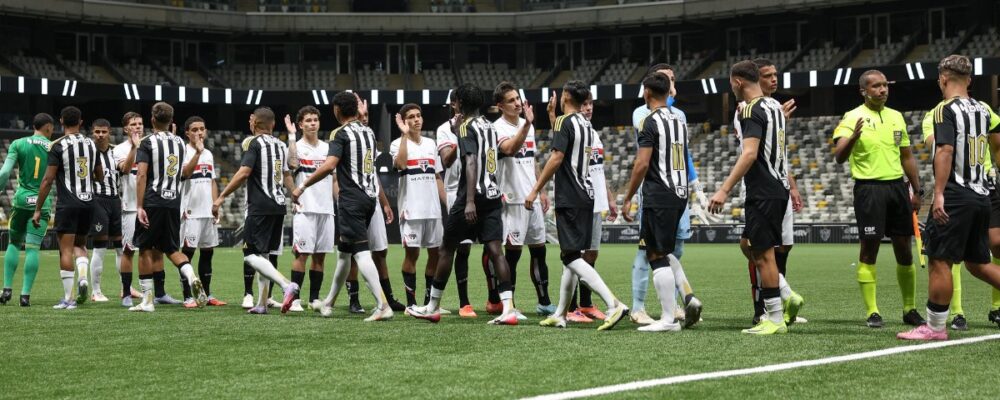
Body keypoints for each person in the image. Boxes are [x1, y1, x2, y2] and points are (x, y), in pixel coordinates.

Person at [899, 54, 1000, 340]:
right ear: (969, 79)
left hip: (956, 194)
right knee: (978, 264)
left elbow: (944, 150)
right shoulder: (983, 110)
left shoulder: (944, 111)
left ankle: (934, 327)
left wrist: (939, 194)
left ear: (943, 79)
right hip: (982, 194)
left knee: (940, 260)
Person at [406, 83, 519, 325]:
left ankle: (432, 306)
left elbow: (470, 161)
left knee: (447, 249)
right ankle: (508, 308)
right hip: (492, 194)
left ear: (459, 103)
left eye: (454, 102)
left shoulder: (466, 126)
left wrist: (468, 201)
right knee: (496, 251)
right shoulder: (490, 126)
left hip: (471, 196)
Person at [530, 81, 629, 330]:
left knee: (572, 256)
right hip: (588, 196)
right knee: (570, 256)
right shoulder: (586, 125)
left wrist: (535, 189)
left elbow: (556, 157)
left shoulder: (566, 122)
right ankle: (561, 313)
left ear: (565, 96)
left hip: (571, 197)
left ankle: (612, 303)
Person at [833, 69, 923, 328]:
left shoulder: (896, 117)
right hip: (869, 190)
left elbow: (906, 156)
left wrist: (917, 190)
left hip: (897, 188)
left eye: (885, 85)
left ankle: (909, 309)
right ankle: (873, 311)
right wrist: (853, 137)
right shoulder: (852, 117)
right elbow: (839, 156)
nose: (882, 90)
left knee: (905, 251)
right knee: (869, 249)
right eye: (876, 86)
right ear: (864, 91)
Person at [291, 92, 392, 322]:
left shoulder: (341, 134)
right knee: (344, 255)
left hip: (352, 201)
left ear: (337, 110)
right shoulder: (368, 131)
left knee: (361, 254)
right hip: (369, 197)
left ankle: (382, 304)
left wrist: (303, 185)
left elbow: (329, 166)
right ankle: (328, 302)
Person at [708, 61, 791, 335]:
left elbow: (749, 153)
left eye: (731, 83)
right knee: (760, 251)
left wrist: (724, 189)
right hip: (779, 188)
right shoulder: (773, 107)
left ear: (738, 82)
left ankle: (775, 319)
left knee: (764, 255)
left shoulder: (752, 110)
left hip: (763, 190)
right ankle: (780, 304)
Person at [628, 63, 701, 325]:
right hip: (675, 191)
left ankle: (669, 314)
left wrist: (627, 197)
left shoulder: (659, 118)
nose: (672, 84)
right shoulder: (665, 118)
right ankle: (671, 301)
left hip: (660, 192)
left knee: (659, 251)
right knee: (657, 250)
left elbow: (643, 162)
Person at [736, 58, 805, 326]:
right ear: (756, 79)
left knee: (778, 247)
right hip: (763, 184)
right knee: (754, 246)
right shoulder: (748, 109)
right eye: (768, 76)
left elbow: (776, 153)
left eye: (776, 75)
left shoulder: (772, 109)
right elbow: (751, 150)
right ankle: (771, 304)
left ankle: (777, 308)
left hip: (773, 186)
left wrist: (794, 185)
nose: (774, 80)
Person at [214, 107, 299, 314]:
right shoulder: (280, 145)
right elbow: (287, 174)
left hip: (260, 206)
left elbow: (244, 173)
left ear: (255, 124)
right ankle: (261, 303)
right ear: (272, 125)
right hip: (279, 205)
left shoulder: (254, 143)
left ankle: (286, 284)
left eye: (251, 120)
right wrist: (295, 192)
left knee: (250, 256)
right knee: (265, 256)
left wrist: (222, 196)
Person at [128, 102, 207, 312]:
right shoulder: (180, 143)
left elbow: (142, 174)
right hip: (173, 203)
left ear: (152, 120)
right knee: (171, 248)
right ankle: (191, 275)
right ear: (171, 121)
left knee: (144, 248)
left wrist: (139, 206)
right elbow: (184, 174)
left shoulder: (147, 142)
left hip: (153, 201)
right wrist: (198, 154)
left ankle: (147, 301)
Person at [33, 106, 101, 310]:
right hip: (89, 203)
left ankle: (69, 298)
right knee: (80, 245)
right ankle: (82, 278)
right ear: (81, 122)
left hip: (68, 203)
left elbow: (47, 180)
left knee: (65, 249)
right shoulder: (91, 144)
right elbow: (100, 176)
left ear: (61, 121)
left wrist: (38, 209)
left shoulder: (57, 146)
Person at [493, 82, 551, 317]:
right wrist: (527, 124)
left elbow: (532, 160)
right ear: (500, 106)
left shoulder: (527, 125)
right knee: (513, 254)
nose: (517, 103)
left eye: (518, 98)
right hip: (513, 198)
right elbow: (510, 149)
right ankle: (510, 305)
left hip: (532, 197)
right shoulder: (497, 128)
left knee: (539, 251)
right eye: (511, 100)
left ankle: (544, 302)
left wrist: (541, 189)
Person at [390, 103, 450, 316]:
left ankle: (429, 303)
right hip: (411, 210)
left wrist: (448, 205)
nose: (416, 120)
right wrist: (405, 136)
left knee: (435, 255)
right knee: (412, 255)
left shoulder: (431, 144)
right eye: (411, 117)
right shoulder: (397, 143)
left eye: (418, 116)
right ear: (404, 122)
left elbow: (437, 177)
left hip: (432, 210)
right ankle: (410, 304)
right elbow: (401, 164)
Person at [282, 106, 335, 312]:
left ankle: (314, 298)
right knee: (301, 254)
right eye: (308, 120)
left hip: (326, 208)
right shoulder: (295, 146)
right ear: (301, 124)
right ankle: (295, 299)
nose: (313, 123)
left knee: (320, 256)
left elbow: (335, 178)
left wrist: (339, 201)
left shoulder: (328, 148)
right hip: (305, 207)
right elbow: (291, 167)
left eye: (315, 120)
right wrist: (292, 136)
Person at [0, 113, 54, 307]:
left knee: (14, 243)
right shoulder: (51, 146)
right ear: (48, 127)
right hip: (42, 201)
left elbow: (5, 172)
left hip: (22, 200)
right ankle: (25, 296)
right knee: (32, 248)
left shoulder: (18, 143)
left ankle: (6, 290)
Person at [435, 90, 478, 317]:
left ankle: (479, 302)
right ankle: (458, 302)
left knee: (478, 246)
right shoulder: (444, 129)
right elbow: (446, 161)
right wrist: (459, 137)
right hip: (455, 191)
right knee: (456, 247)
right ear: (454, 104)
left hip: (477, 190)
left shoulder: (479, 125)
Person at [178, 116, 225, 308]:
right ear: (187, 133)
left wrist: (216, 204)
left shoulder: (209, 154)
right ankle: (188, 296)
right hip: (190, 211)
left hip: (206, 211)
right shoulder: (183, 151)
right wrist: (196, 153)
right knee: (187, 254)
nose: (199, 132)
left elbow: (212, 180)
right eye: (195, 129)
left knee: (207, 253)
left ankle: (206, 294)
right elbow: (185, 174)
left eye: (202, 129)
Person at [113, 112, 146, 307]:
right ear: (126, 128)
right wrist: (134, 147)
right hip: (130, 206)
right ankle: (126, 292)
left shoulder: (150, 144)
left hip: (149, 206)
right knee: (128, 250)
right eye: (134, 124)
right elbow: (125, 169)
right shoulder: (119, 149)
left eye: (140, 124)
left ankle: (153, 292)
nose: (138, 127)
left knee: (149, 250)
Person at [86, 119, 121, 303]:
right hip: (97, 201)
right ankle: (96, 291)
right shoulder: (87, 152)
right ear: (92, 132)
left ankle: (126, 287)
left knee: (121, 247)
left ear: (109, 133)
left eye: (103, 132)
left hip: (116, 201)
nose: (100, 135)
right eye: (97, 131)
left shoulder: (117, 152)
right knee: (100, 247)